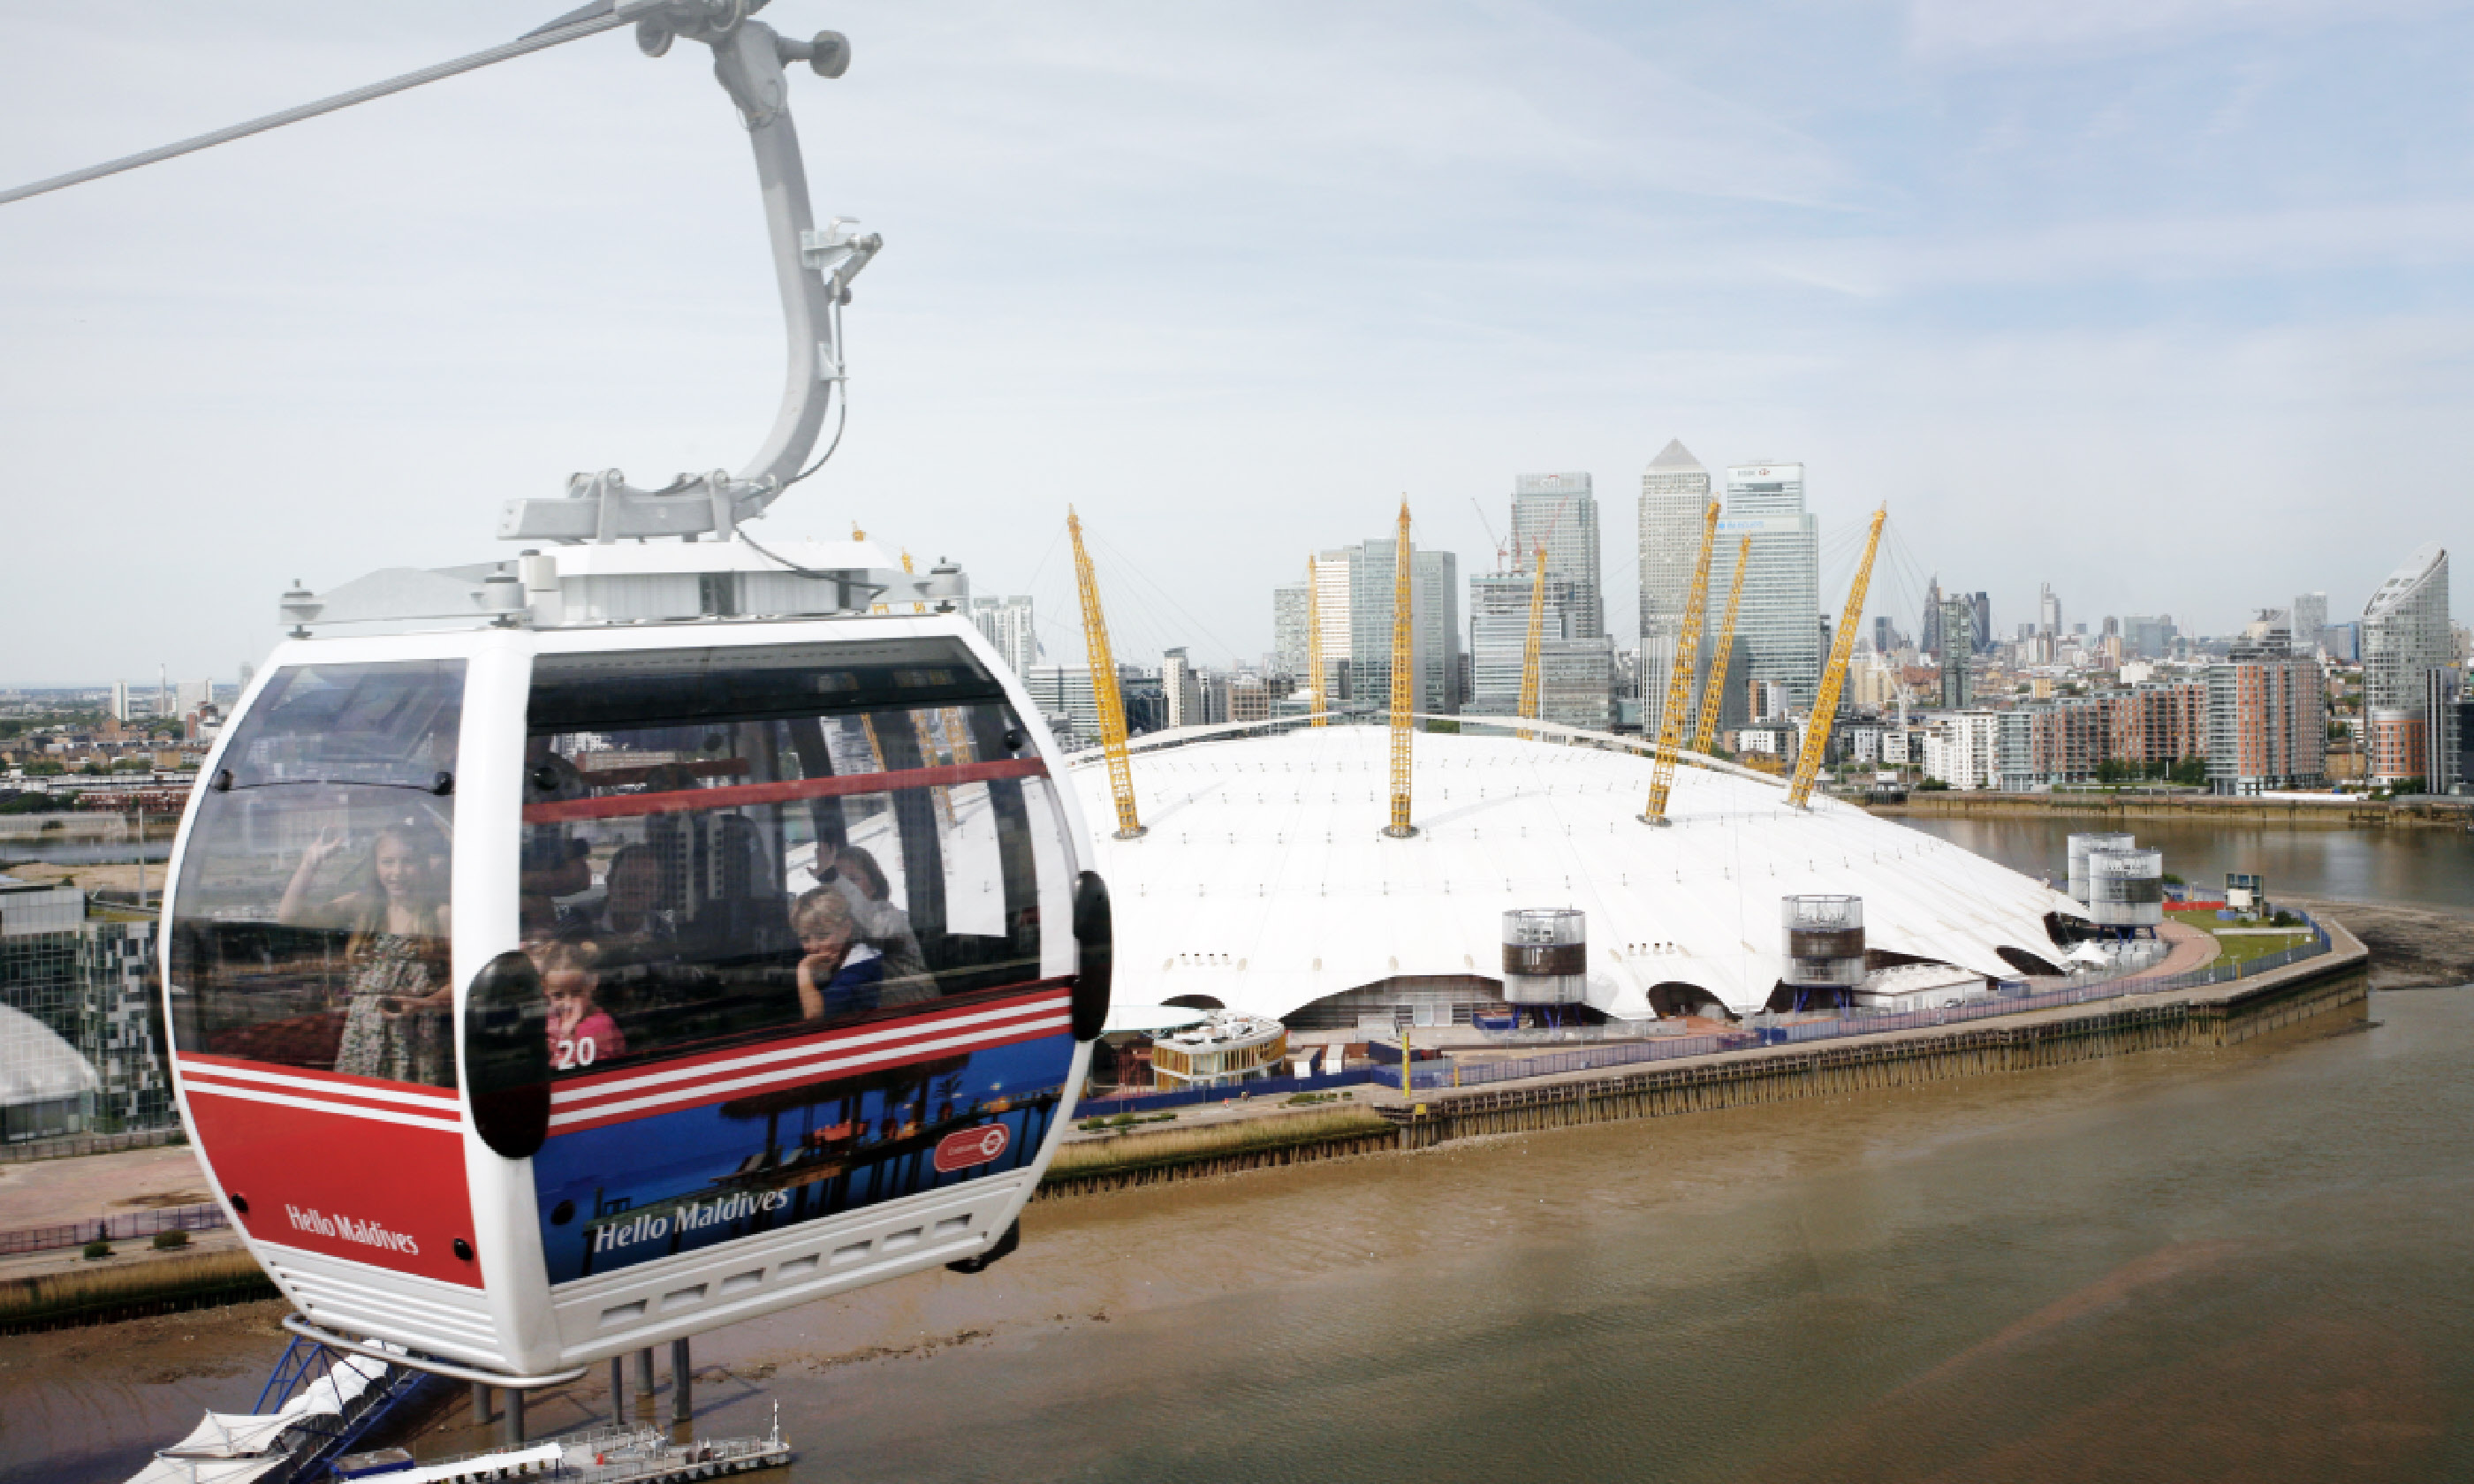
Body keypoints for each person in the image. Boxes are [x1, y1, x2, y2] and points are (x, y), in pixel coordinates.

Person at [279, 819, 453, 1086]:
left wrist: (423, 1004)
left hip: (417, 1040)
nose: (397, 872)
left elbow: (464, 981)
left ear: (424, 865)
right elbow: (290, 917)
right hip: (362, 1038)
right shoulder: (366, 908)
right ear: (375, 866)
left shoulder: (441, 916)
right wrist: (309, 864)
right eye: (388, 862)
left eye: (408, 862)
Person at [830, 844, 934, 1003]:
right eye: (840, 881)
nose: (843, 888)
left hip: (915, 1006)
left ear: (873, 886)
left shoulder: (888, 916)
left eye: (852, 880)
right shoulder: (841, 926)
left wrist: (832, 877)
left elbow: (871, 925)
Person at [790, 888, 884, 1022]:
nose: (814, 947)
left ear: (846, 929)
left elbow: (815, 1016)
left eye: (823, 935)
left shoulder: (860, 970)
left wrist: (803, 970)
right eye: (805, 938)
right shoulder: (841, 961)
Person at [533, 938, 626, 1069]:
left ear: (592, 983)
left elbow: (589, 1073)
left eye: (576, 993)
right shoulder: (550, 1017)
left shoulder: (600, 1025)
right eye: (558, 995)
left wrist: (568, 1035)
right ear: (545, 989)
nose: (568, 1003)